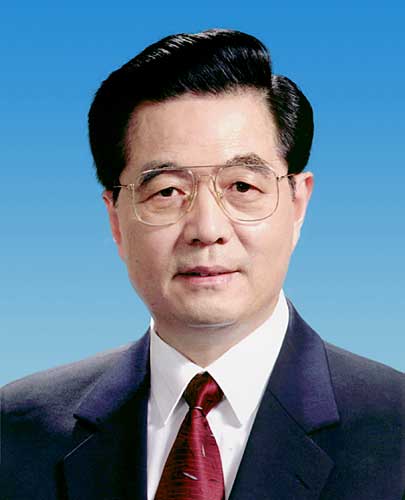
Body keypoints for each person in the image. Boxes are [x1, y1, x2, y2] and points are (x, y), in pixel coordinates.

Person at [1, 29, 404, 500]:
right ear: (115, 219)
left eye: (242, 187)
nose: (207, 228)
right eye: (167, 191)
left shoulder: (395, 428)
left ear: (297, 205)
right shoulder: (16, 432)